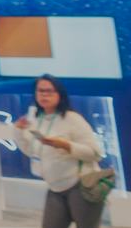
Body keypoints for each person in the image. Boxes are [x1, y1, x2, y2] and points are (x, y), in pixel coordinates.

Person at [13, 75, 105, 228]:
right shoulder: (37, 120)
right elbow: (31, 151)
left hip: (81, 186)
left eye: (49, 91)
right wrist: (18, 132)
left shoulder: (72, 119)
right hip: (55, 187)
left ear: (59, 94)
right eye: (40, 91)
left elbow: (95, 153)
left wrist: (66, 145)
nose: (44, 95)